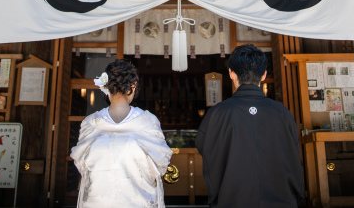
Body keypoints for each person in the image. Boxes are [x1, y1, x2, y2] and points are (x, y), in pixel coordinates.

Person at [196, 44, 304, 207]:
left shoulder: (218, 113)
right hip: (282, 201)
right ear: (264, 75)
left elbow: (203, 145)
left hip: (232, 200)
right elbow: (293, 152)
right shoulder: (282, 113)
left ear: (231, 73)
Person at [70, 59, 173, 208]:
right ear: (133, 86)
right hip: (138, 202)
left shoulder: (90, 123)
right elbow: (161, 164)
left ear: (105, 86)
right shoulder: (148, 122)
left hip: (97, 202)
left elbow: (82, 165)